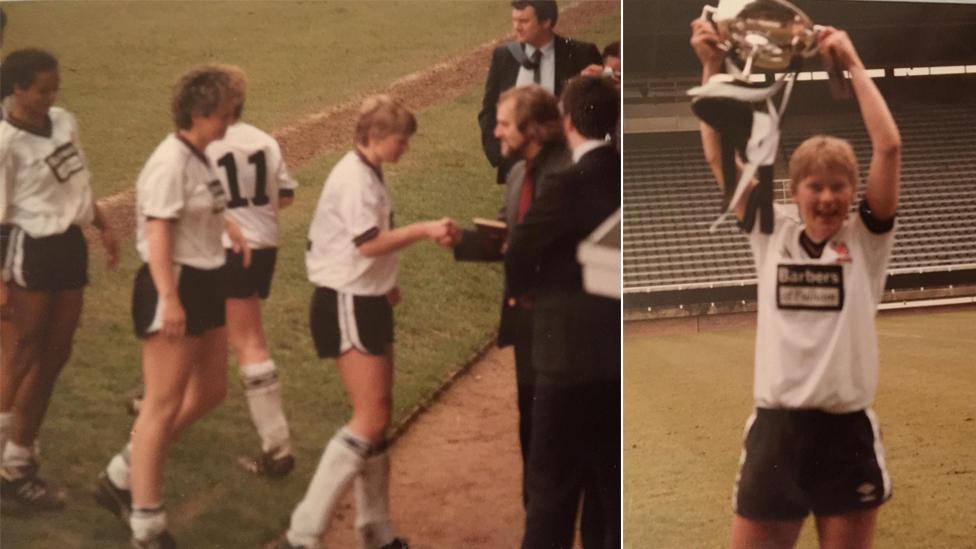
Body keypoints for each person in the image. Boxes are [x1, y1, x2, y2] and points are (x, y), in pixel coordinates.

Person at [691, 19, 901, 549]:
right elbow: (719, 156)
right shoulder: (771, 228)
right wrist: (711, 67)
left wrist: (850, 62)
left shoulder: (867, 238)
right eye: (816, 186)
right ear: (795, 188)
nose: (828, 198)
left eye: (839, 186)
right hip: (776, 433)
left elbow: (890, 147)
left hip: (845, 434)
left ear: (854, 190)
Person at [269, 95, 457, 549]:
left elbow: (361, 247)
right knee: (370, 419)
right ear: (374, 137)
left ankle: (375, 530)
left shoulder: (368, 171)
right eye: (400, 140)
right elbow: (368, 245)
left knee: (380, 416)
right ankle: (304, 531)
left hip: (365, 297)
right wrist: (425, 229)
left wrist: (387, 282)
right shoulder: (353, 178)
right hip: (346, 302)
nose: (405, 148)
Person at [92, 64, 250, 549]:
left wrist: (229, 228)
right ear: (199, 112)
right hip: (175, 285)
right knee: (160, 406)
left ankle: (121, 472)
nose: (232, 121)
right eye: (227, 112)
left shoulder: (201, 156)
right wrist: (169, 298)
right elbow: (159, 234)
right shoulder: (169, 162)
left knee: (212, 391)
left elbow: (199, 210)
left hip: (205, 281)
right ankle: (145, 522)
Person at [124, 65, 299, 477]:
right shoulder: (263, 141)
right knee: (216, 341)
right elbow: (285, 196)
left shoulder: (200, 146)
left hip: (221, 253)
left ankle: (276, 446)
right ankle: (156, 401)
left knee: (245, 343)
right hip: (263, 246)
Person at [0, 48, 119, 513]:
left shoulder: (65, 120)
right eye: (42, 89)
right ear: (17, 89)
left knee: (56, 354)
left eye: (55, 87)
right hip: (32, 249)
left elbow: (78, 182)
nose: (52, 96)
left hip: (70, 246)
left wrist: (103, 222)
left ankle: (20, 459)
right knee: (23, 351)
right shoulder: (5, 143)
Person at [506, 75, 621, 548]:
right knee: (606, 493)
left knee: (551, 491)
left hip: (566, 361)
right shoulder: (621, 171)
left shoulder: (568, 181)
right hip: (614, 363)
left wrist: (526, 292)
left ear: (568, 120)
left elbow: (520, 248)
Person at [453, 83, 570, 508]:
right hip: (526, 322)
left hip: (560, 324)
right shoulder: (519, 172)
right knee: (530, 419)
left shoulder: (567, 174)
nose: (496, 133)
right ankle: (536, 510)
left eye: (504, 125)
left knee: (558, 425)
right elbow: (509, 236)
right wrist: (462, 241)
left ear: (534, 128)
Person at [478, 0, 601, 183]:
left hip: (564, 161)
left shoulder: (581, 54)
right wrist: (498, 155)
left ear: (546, 22)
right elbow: (489, 110)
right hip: (516, 164)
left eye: (524, 21)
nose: (516, 27)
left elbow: (598, 110)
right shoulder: (503, 56)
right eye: (515, 20)